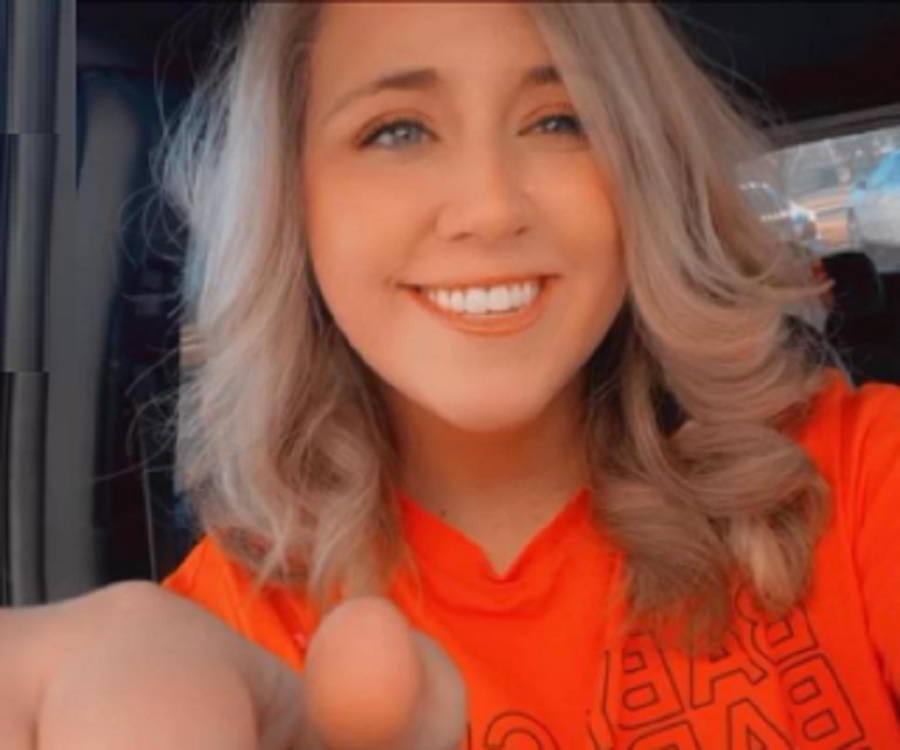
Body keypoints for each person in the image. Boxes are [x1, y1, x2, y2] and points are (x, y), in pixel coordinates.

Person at [2, 2, 899, 748]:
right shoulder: (222, 634)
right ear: (292, 203)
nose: (491, 207)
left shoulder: (854, 477)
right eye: (397, 130)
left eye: (561, 121)